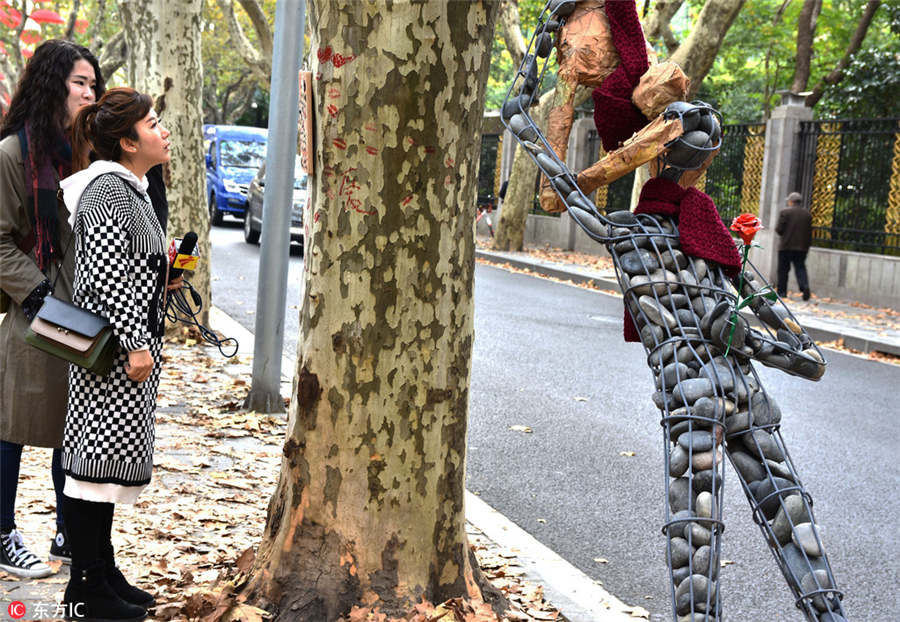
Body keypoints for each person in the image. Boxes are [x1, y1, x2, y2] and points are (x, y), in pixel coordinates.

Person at [58, 87, 171, 621]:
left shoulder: (131, 189)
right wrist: (135, 343)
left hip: (124, 355)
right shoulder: (108, 190)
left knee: (104, 471)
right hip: (112, 357)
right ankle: (85, 588)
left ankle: (102, 571)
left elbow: (129, 267)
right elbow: (106, 278)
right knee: (91, 470)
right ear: (127, 142)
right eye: (152, 124)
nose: (163, 131)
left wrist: (165, 276)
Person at [0, 39, 104, 578]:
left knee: (77, 424)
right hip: (35, 312)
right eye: (78, 83)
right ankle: (2, 533)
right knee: (13, 423)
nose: (89, 94)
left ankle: (69, 532)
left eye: (93, 84)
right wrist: (41, 296)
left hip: (89, 311)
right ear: (51, 86)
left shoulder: (91, 153)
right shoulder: (13, 154)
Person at [775, 191, 813, 300]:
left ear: (791, 202)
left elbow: (779, 229)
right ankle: (804, 287)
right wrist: (807, 246)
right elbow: (809, 233)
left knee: (783, 270)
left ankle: (782, 292)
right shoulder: (807, 215)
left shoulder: (785, 212)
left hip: (786, 246)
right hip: (801, 248)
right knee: (800, 268)